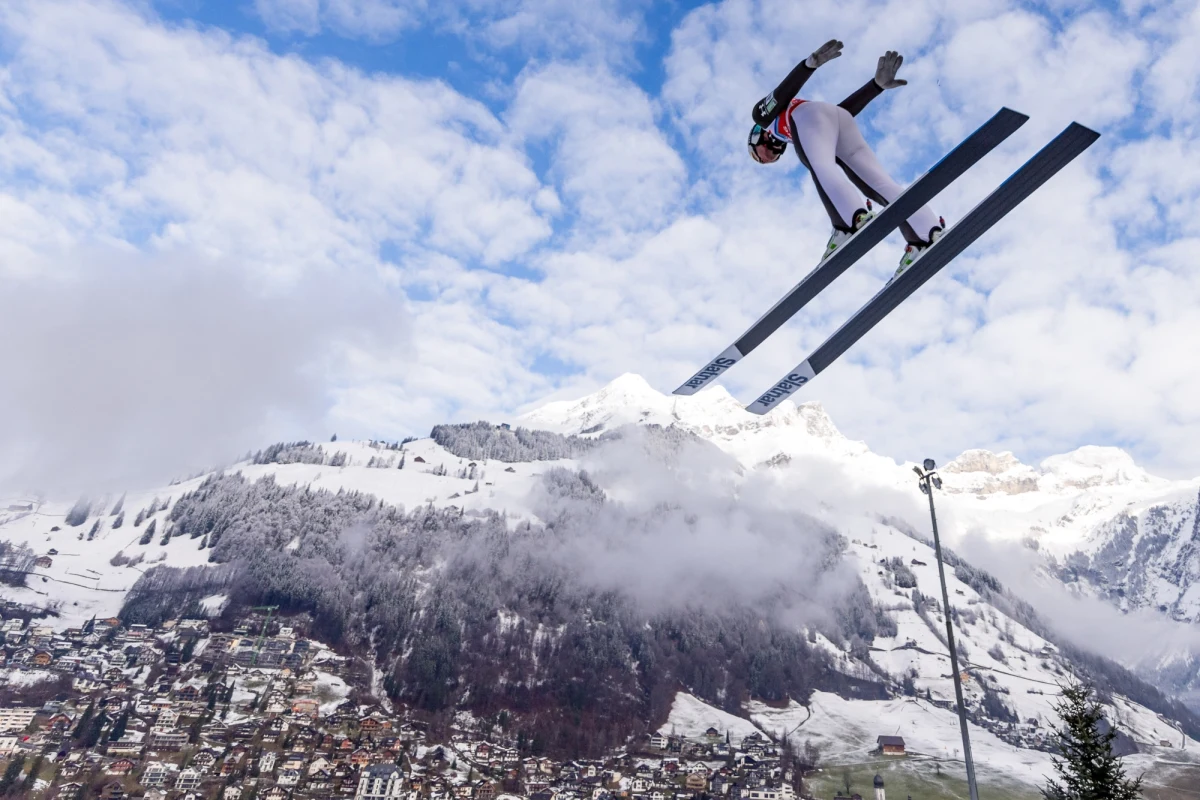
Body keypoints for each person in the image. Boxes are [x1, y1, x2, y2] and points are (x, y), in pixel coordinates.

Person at [748, 40, 943, 278]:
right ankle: (927, 232)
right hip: (840, 118)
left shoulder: (763, 118)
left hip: (810, 115)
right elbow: (837, 115)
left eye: (762, 155)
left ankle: (851, 220)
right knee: (877, 183)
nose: (770, 156)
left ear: (757, 138)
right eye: (771, 159)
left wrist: (808, 66)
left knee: (820, 166)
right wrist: (875, 87)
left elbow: (781, 95)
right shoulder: (791, 132)